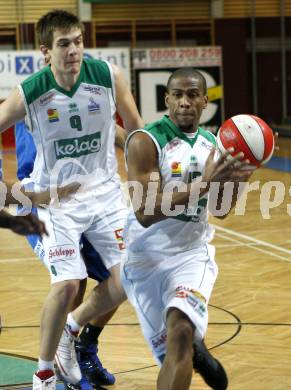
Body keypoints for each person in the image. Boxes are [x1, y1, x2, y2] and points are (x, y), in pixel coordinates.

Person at [62, 68, 253, 389]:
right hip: (145, 262)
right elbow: (146, 211)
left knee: (179, 332)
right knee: (173, 353)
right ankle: (196, 349)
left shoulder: (213, 145)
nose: (185, 102)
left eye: (193, 95)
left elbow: (220, 210)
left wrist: (242, 177)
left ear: (205, 101)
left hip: (192, 256)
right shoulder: (146, 141)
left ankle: (190, 340)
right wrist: (204, 184)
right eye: (177, 95)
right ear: (166, 99)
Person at [0, 9, 144, 390]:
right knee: (68, 283)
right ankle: (44, 373)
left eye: (78, 41)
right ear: (45, 51)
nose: (74, 51)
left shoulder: (108, 78)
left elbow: (134, 131)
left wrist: (150, 176)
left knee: (130, 277)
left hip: (105, 195)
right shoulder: (30, 93)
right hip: (55, 201)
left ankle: (73, 331)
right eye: (64, 44)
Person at [15, 120, 125, 389]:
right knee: (71, 280)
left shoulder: (89, 94)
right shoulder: (28, 102)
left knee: (124, 275)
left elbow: (121, 135)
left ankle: (85, 347)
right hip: (40, 202)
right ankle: (49, 370)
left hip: (90, 200)